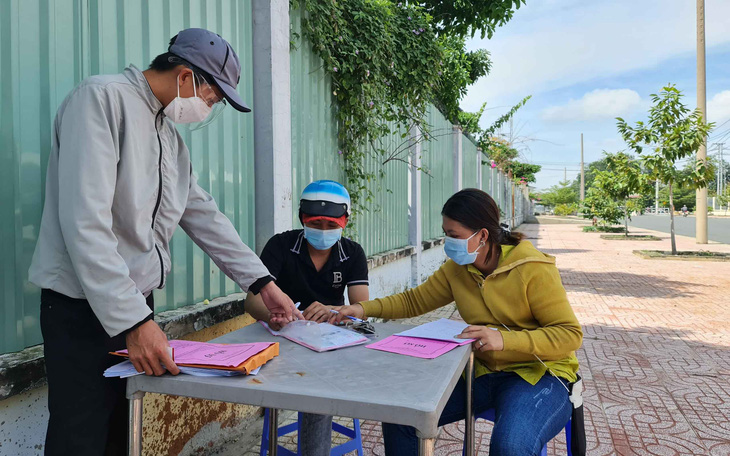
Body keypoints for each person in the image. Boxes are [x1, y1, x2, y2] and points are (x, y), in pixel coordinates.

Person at [28, 28, 299, 455]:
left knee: (123, 428)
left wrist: (263, 284)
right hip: (81, 307)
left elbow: (205, 216)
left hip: (136, 305)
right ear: (187, 77)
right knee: (79, 434)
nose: (209, 108)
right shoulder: (101, 99)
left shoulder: (168, 138)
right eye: (212, 98)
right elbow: (85, 224)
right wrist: (134, 323)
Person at [332, 188, 583, 456]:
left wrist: (504, 339)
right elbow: (414, 301)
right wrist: (360, 308)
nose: (447, 242)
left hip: (538, 375)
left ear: (482, 236)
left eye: (454, 236)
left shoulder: (533, 269)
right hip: (482, 371)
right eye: (445, 233)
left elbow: (570, 334)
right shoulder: (458, 269)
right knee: (402, 416)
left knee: (511, 446)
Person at [245, 179, 370, 456]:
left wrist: (334, 311)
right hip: (283, 344)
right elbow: (252, 300)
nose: (323, 231)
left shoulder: (352, 253)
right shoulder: (280, 246)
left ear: (345, 221)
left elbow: (363, 309)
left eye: (331, 225)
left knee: (318, 392)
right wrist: (275, 315)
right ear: (303, 219)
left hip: (329, 346)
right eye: (315, 224)